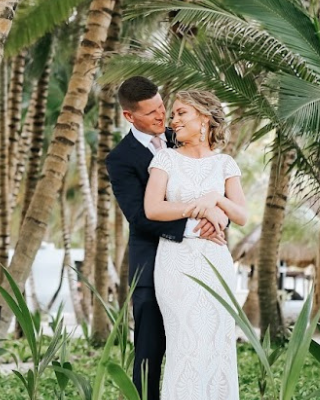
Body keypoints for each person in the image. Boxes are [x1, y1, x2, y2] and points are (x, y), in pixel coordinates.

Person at [105, 77, 227, 400]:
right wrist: (194, 226)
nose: (163, 118)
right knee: (149, 353)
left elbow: (214, 180)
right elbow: (140, 216)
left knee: (197, 346)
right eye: (153, 113)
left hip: (199, 264)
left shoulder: (182, 135)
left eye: (163, 107)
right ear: (130, 117)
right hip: (151, 265)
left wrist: (217, 221)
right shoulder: (120, 159)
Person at [144, 89, 248, 399]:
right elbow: (153, 209)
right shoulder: (166, 159)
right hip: (177, 262)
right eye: (173, 114)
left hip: (215, 263)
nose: (173, 120)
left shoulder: (225, 164)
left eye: (181, 113)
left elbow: (241, 214)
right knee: (185, 342)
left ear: (204, 117)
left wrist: (215, 199)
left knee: (217, 343)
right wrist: (197, 208)